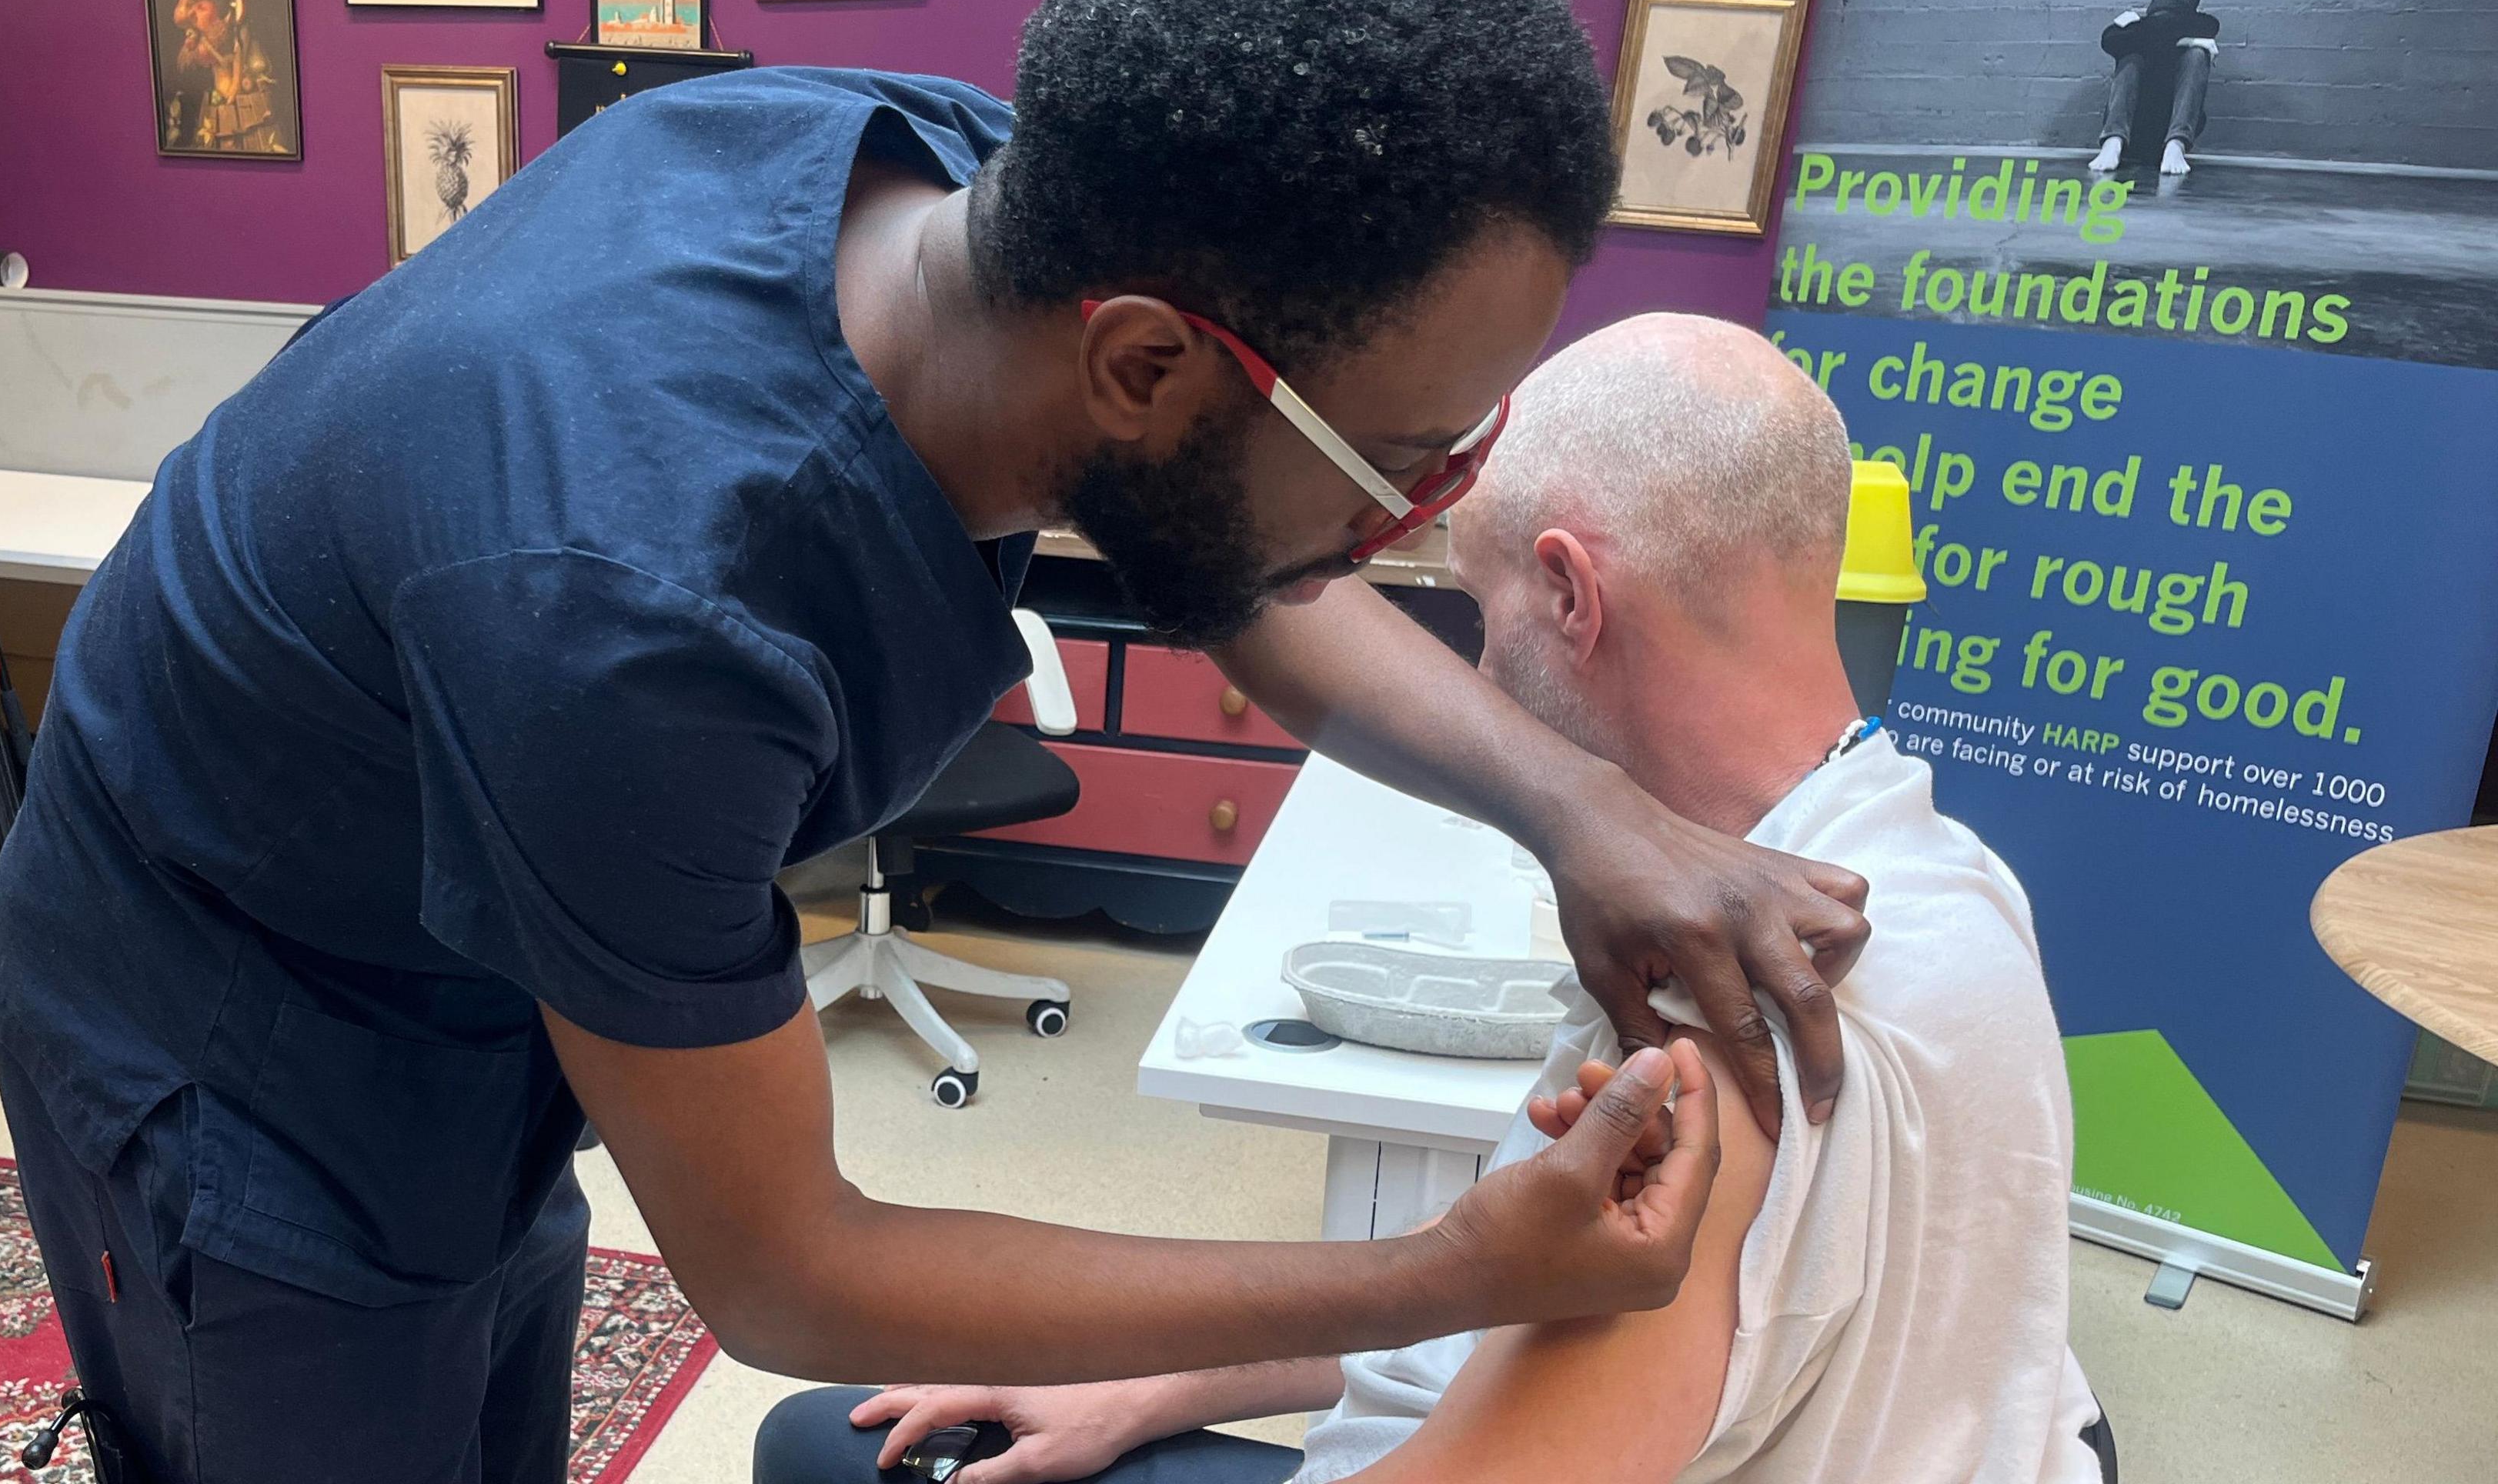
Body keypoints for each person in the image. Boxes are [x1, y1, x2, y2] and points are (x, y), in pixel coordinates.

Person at [0, 0, 1871, 1484]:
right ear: (1138, 361)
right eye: (1411, 459)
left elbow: (1222, 545)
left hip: (468, 944)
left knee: (484, 1355)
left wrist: (1584, 811)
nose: (1425, 517)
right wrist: (1450, 1272)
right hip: (227, 1014)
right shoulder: (638, 613)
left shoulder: (961, 188)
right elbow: (788, 1269)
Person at [768, 314, 2106, 1484]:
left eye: (1482, 608)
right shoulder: (1951, 879)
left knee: (816, 1446)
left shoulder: (1730, 1041)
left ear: (1574, 593)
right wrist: (1156, 1383)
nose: (1481, 665)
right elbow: (1519, 1305)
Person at [2088, 0, 2219, 178]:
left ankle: (2177, 145)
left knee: (2197, 56)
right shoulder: (2135, 32)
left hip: (2169, 134)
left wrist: (2189, 43)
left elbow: (2208, 29)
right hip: (2131, 132)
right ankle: (2113, 141)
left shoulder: (2182, 40)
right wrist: (2186, 39)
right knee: (2131, 56)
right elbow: (2109, 40)